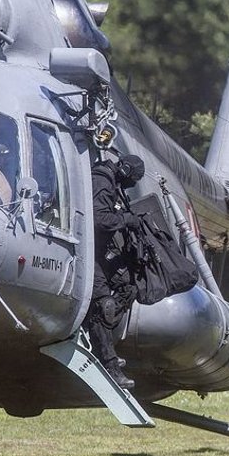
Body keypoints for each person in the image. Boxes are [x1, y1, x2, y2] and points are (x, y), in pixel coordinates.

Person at [84, 154, 145, 389]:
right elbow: (99, 220)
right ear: (125, 170)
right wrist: (126, 219)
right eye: (132, 180)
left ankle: (97, 328)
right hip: (86, 252)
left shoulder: (111, 181)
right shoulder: (101, 180)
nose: (130, 185)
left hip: (99, 252)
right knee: (104, 305)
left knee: (129, 288)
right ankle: (109, 363)